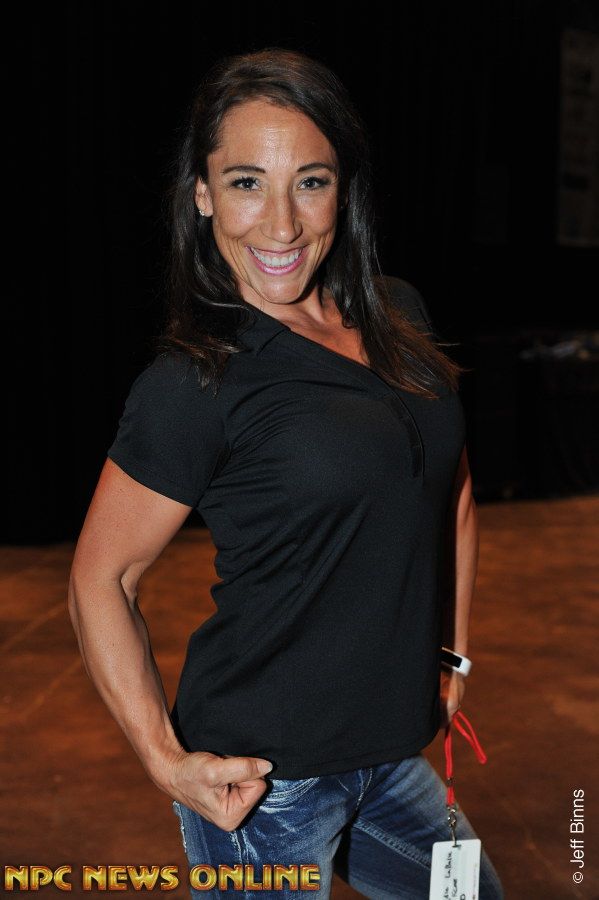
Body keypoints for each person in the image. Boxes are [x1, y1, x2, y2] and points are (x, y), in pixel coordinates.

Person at [68, 47, 503, 899]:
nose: (281, 226)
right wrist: (163, 759)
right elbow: (100, 579)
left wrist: (449, 654)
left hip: (392, 754)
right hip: (264, 783)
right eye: (245, 183)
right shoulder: (196, 382)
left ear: (343, 190)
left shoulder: (398, 315)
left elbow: (449, 491)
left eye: (310, 182)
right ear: (201, 193)